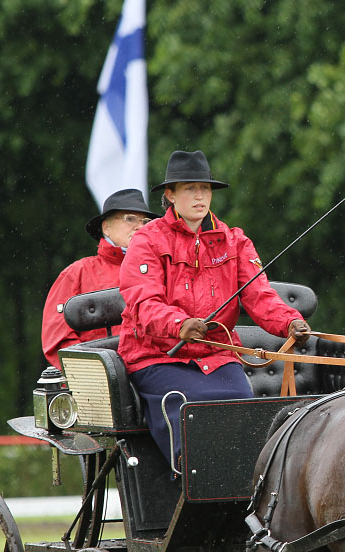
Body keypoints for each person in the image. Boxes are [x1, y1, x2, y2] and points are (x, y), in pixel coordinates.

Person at [118, 150, 312, 470]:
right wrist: (179, 324)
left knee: (241, 407)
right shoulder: (146, 241)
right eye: (190, 188)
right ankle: (189, 477)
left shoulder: (235, 241)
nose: (200, 196)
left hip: (218, 354)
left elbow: (260, 295)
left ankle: (244, 482)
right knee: (189, 408)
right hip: (159, 355)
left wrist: (289, 322)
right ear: (170, 195)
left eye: (205, 188)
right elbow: (143, 301)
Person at [41, 189, 157, 368]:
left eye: (145, 221)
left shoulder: (160, 270)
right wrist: (96, 372)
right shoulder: (77, 273)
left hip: (154, 370)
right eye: (130, 218)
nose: (139, 226)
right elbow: (58, 340)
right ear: (106, 228)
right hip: (99, 377)